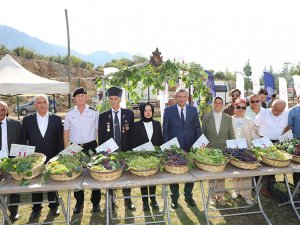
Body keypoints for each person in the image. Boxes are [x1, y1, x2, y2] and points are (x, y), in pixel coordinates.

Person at [20, 94, 63, 219]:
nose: (42, 104)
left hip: (52, 157)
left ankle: (54, 206)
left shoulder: (56, 119)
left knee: (52, 183)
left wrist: (59, 157)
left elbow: (60, 140)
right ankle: (36, 208)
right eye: (39, 102)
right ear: (35, 105)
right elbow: (23, 140)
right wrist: (25, 159)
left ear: (48, 104)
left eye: (44, 102)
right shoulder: (27, 120)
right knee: (35, 184)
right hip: (35, 159)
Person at [63, 87, 100, 214]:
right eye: (78, 96)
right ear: (74, 99)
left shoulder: (94, 112)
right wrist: (66, 149)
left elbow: (98, 131)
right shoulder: (69, 113)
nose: (80, 98)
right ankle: (79, 203)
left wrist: (100, 148)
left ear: (86, 97)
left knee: (95, 173)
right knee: (76, 174)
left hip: (91, 145)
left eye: (83, 96)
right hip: (75, 147)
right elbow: (66, 131)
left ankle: (96, 202)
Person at [163, 89, 201, 209]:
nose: (182, 98)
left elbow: (197, 128)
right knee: (174, 172)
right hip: (174, 148)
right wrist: (169, 147)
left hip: (190, 146)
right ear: (176, 98)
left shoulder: (193, 110)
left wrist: (198, 145)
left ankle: (188, 196)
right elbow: (166, 130)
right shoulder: (168, 110)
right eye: (179, 96)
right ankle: (174, 197)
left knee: (190, 172)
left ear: (187, 98)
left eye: (184, 96)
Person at [98, 87, 135, 211]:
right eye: (111, 99)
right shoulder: (103, 116)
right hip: (110, 151)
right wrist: (103, 153)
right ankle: (111, 200)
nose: (113, 101)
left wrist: (131, 151)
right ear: (108, 100)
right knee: (110, 175)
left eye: (115, 99)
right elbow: (101, 136)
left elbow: (131, 134)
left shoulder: (129, 114)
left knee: (126, 176)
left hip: (125, 150)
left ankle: (128, 200)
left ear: (120, 99)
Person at [202, 96, 235, 206]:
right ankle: (211, 196)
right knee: (211, 175)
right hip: (210, 150)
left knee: (221, 175)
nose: (217, 104)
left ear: (223, 105)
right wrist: (203, 149)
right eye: (215, 102)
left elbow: (231, 135)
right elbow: (203, 134)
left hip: (223, 150)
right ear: (213, 104)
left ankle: (220, 196)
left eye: (220, 103)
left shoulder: (228, 118)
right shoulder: (206, 117)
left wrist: (232, 149)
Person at [131, 102, 163, 211]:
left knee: (153, 179)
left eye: (150, 110)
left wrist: (159, 152)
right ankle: (145, 202)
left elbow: (160, 140)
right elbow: (134, 142)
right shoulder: (136, 125)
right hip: (142, 157)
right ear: (142, 112)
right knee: (144, 180)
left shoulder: (157, 124)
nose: (148, 112)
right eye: (146, 110)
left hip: (154, 157)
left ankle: (153, 200)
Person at [255, 99, 288, 194]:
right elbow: (255, 125)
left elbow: (285, 128)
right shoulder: (263, 113)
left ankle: (270, 185)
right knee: (263, 166)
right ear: (271, 107)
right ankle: (260, 186)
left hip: (276, 142)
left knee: (274, 164)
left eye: (280, 111)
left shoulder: (285, 115)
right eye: (276, 110)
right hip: (263, 141)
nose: (277, 113)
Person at [231, 99, 259, 205]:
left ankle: (246, 195)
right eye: (239, 107)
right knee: (235, 173)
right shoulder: (229, 120)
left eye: (243, 108)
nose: (241, 110)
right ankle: (236, 190)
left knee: (247, 174)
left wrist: (260, 143)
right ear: (235, 107)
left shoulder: (249, 121)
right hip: (233, 150)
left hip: (246, 151)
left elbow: (254, 135)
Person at [0, 101, 21, 221]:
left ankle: (14, 211)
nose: (0, 113)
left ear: (7, 111)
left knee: (14, 187)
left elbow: (22, 142)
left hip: (12, 160)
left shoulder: (16, 124)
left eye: (3, 110)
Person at [286, 96, 300, 185]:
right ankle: (297, 185)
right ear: (298, 99)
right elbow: (288, 127)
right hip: (297, 142)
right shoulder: (293, 110)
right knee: (298, 165)